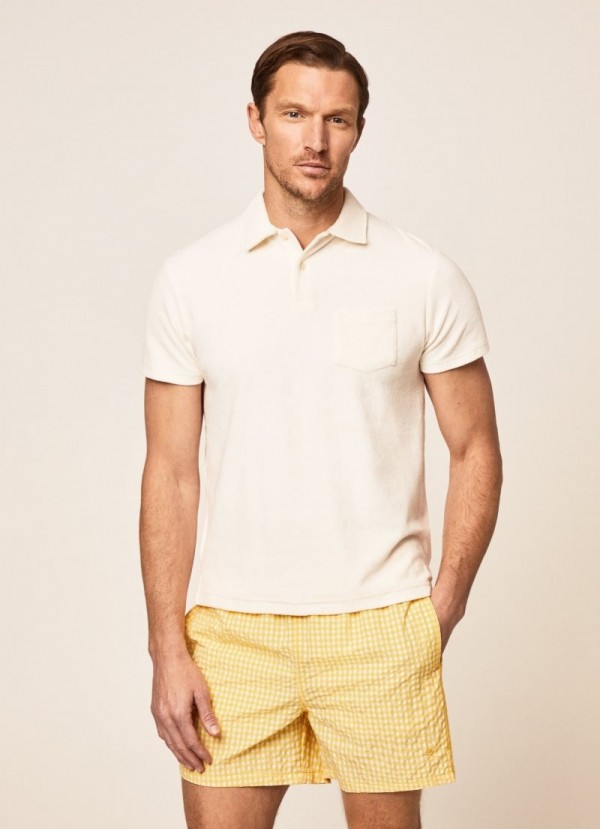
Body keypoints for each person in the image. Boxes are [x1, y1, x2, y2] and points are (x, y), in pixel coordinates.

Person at [139, 29, 503, 829]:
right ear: (255, 120)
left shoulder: (422, 273)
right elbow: (169, 471)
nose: (315, 139)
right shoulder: (192, 279)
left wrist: (443, 604)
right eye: (294, 113)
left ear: (359, 129)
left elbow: (476, 446)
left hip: (380, 623)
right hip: (233, 628)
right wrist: (167, 646)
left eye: (337, 119)